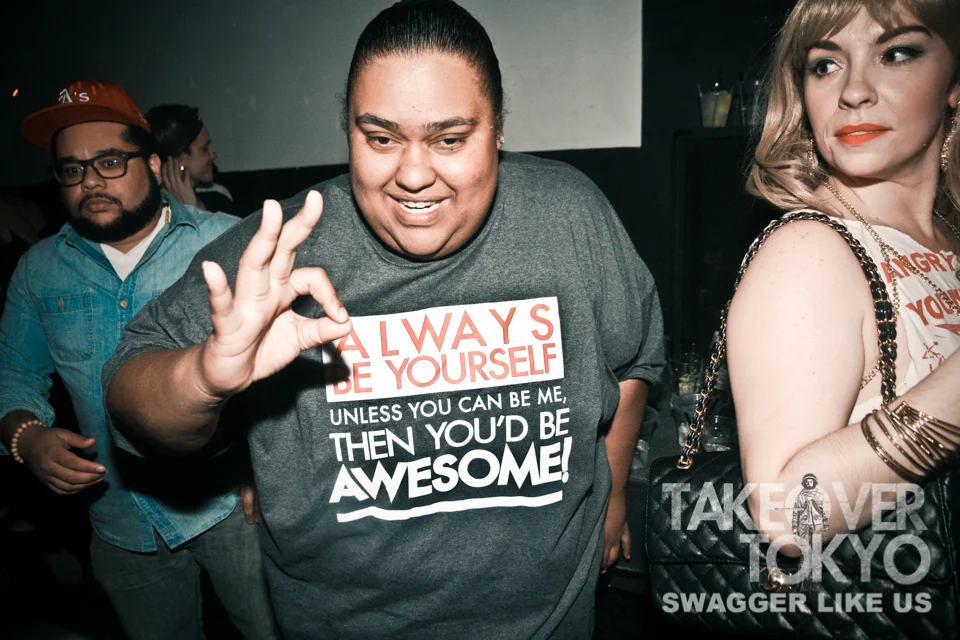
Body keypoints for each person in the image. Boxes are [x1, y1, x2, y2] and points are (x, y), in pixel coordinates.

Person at [103, 1, 665, 637]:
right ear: (348, 130)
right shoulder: (286, 248)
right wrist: (206, 378)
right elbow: (125, 390)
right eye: (381, 139)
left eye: (449, 140)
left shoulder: (571, 216)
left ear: (498, 130)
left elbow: (631, 359)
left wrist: (612, 497)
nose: (414, 175)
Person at [0, 80, 278, 640]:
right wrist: (27, 439)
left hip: (231, 507)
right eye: (72, 169)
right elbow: (14, 378)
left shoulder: (225, 240)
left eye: (109, 162)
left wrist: (269, 468)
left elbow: (280, 371)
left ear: (152, 165)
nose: (90, 181)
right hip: (120, 525)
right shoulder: (39, 270)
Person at [732, 0, 960, 550]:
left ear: (955, 82)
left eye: (896, 54)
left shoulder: (947, 237)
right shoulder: (810, 251)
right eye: (825, 64)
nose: (854, 91)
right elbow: (788, 517)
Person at [147, 103, 235, 213]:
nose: (213, 155)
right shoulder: (149, 210)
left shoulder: (217, 198)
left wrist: (193, 208)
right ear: (179, 159)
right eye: (205, 148)